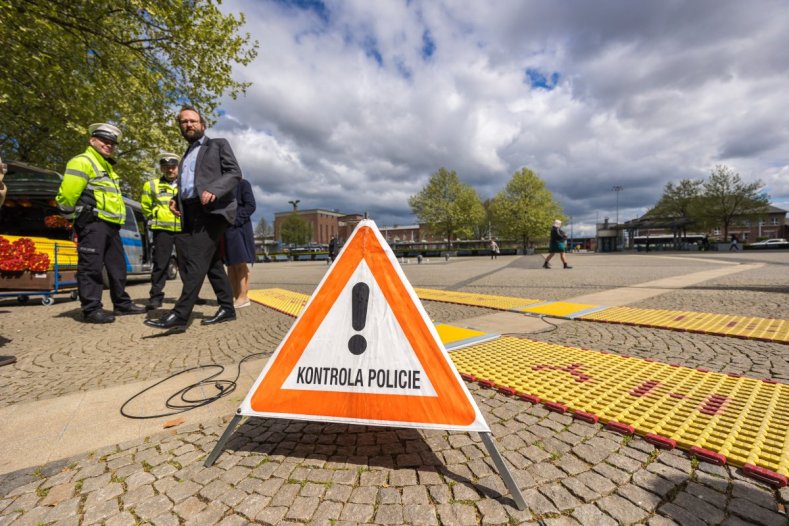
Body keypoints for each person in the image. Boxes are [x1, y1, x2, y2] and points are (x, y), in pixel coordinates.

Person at [145, 106, 241, 330]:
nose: (188, 125)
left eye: (193, 121)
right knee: (212, 263)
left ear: (202, 125)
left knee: (196, 261)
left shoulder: (217, 145)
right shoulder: (185, 156)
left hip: (213, 211)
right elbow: (188, 185)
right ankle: (227, 307)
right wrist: (176, 199)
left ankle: (180, 314)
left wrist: (215, 189)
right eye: (183, 122)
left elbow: (234, 172)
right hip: (190, 212)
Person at [56, 123, 145, 323]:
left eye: (112, 143)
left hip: (111, 225)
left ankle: (122, 304)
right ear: (92, 140)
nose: (109, 145)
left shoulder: (108, 167)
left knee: (118, 267)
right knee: (91, 267)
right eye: (104, 141)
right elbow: (67, 195)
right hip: (93, 223)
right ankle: (91, 309)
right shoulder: (82, 161)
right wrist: (73, 218)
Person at [141, 152, 181, 310]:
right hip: (162, 230)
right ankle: (155, 297)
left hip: (183, 230)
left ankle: (191, 295)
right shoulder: (151, 185)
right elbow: (145, 206)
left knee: (186, 264)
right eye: (167, 167)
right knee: (160, 264)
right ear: (162, 169)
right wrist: (154, 217)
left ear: (178, 168)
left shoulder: (186, 185)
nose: (170, 170)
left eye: (173, 167)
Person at [222, 178, 256, 308]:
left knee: (240, 262)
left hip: (239, 228)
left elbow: (251, 205)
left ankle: (243, 296)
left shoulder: (243, 184)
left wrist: (236, 220)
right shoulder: (222, 186)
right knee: (231, 264)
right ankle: (236, 295)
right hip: (226, 228)